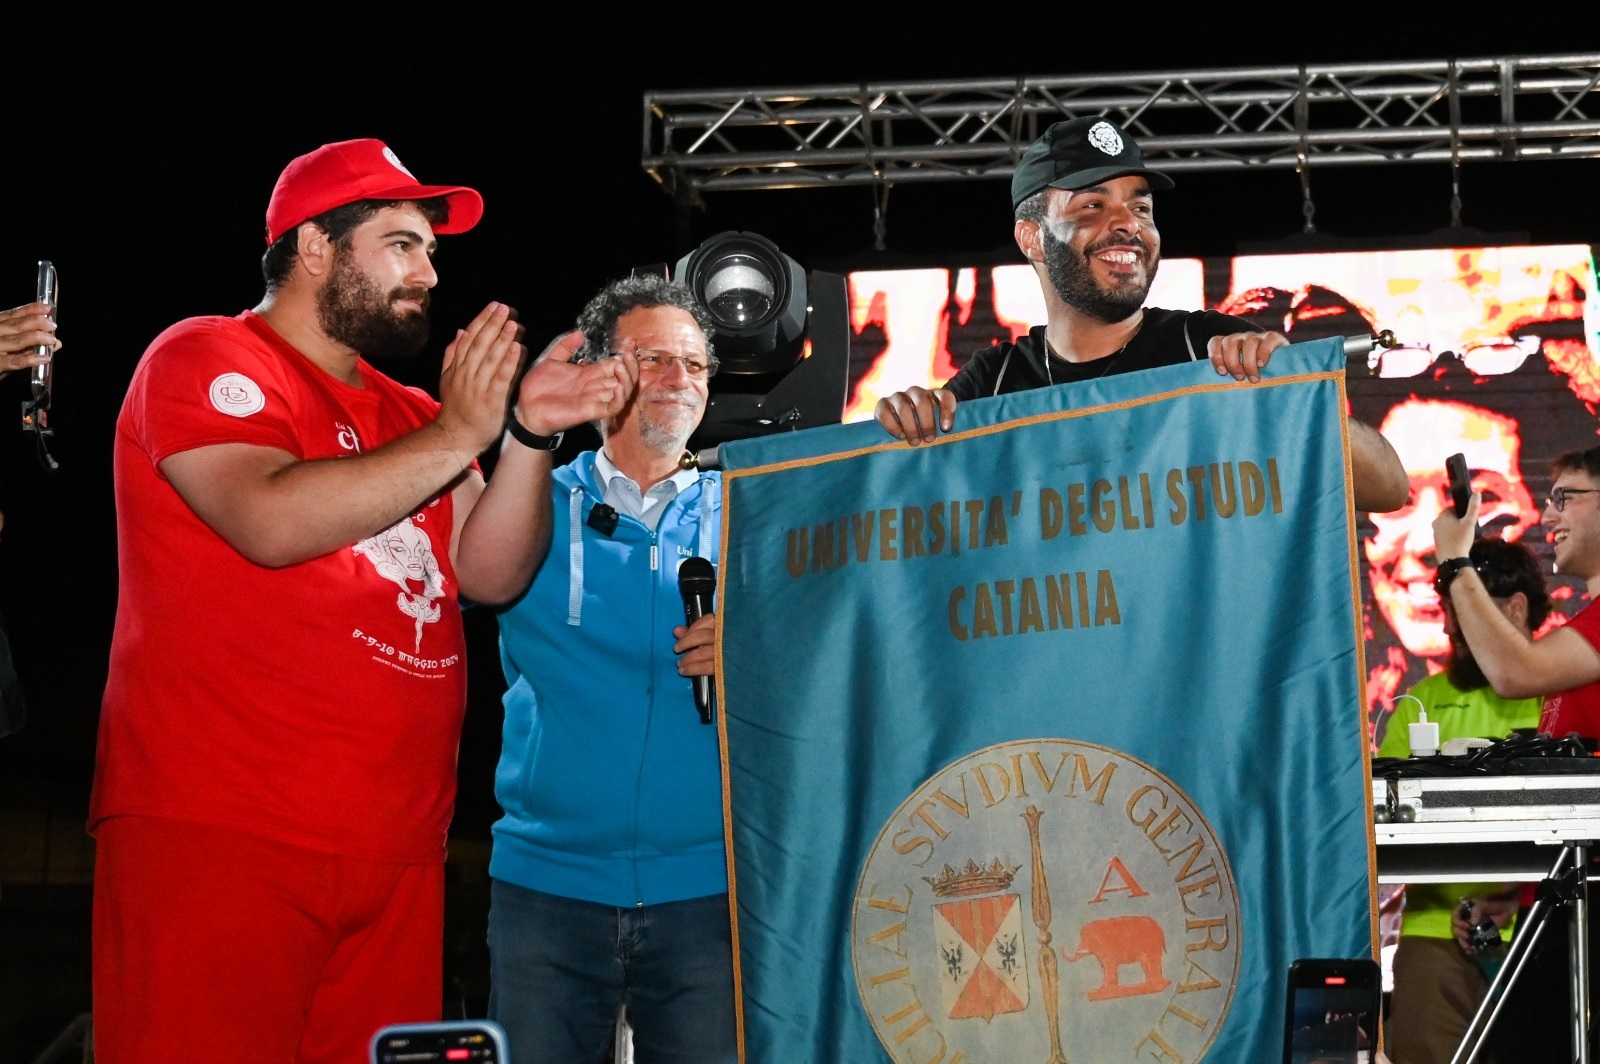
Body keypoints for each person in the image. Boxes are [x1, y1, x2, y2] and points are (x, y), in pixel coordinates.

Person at [89, 138, 633, 1064]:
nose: (427, 272)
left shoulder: (413, 413)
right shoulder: (206, 355)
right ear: (313, 248)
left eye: (430, 251)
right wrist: (462, 429)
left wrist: (529, 438)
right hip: (222, 830)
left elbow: (488, 574)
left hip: (396, 851)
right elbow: (264, 519)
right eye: (401, 245)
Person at [453, 274, 732, 1064]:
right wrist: (531, 436)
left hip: (708, 893)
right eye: (654, 360)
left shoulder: (754, 511)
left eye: (696, 366)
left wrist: (761, 653)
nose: (680, 381)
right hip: (547, 889)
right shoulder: (534, 494)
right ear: (601, 373)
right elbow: (478, 580)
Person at [873, 115, 1408, 515]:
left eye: (1141, 207)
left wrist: (1298, 392)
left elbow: (1389, 489)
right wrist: (902, 427)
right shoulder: (996, 381)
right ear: (1032, 238)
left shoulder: (1210, 348)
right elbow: (904, 519)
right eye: (1092, 205)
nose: (1127, 223)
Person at [1377, 537, 1550, 1064]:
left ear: (1516, 608)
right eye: (1451, 611)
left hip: (1542, 933)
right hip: (1434, 935)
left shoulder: (1558, 694)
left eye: (1466, 610)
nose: (1451, 626)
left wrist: (1520, 897)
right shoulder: (1422, 702)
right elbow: (1385, 820)